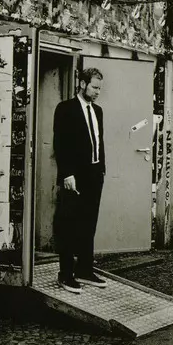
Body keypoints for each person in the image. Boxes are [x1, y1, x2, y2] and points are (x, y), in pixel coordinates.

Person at [53, 67, 107, 294]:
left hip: (94, 175)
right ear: (83, 84)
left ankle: (84, 269)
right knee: (68, 224)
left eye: (99, 88)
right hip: (74, 177)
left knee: (88, 223)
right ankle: (65, 274)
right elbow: (60, 144)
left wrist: (101, 170)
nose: (97, 92)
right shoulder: (65, 109)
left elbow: (98, 142)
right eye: (94, 87)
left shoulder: (98, 111)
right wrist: (67, 174)